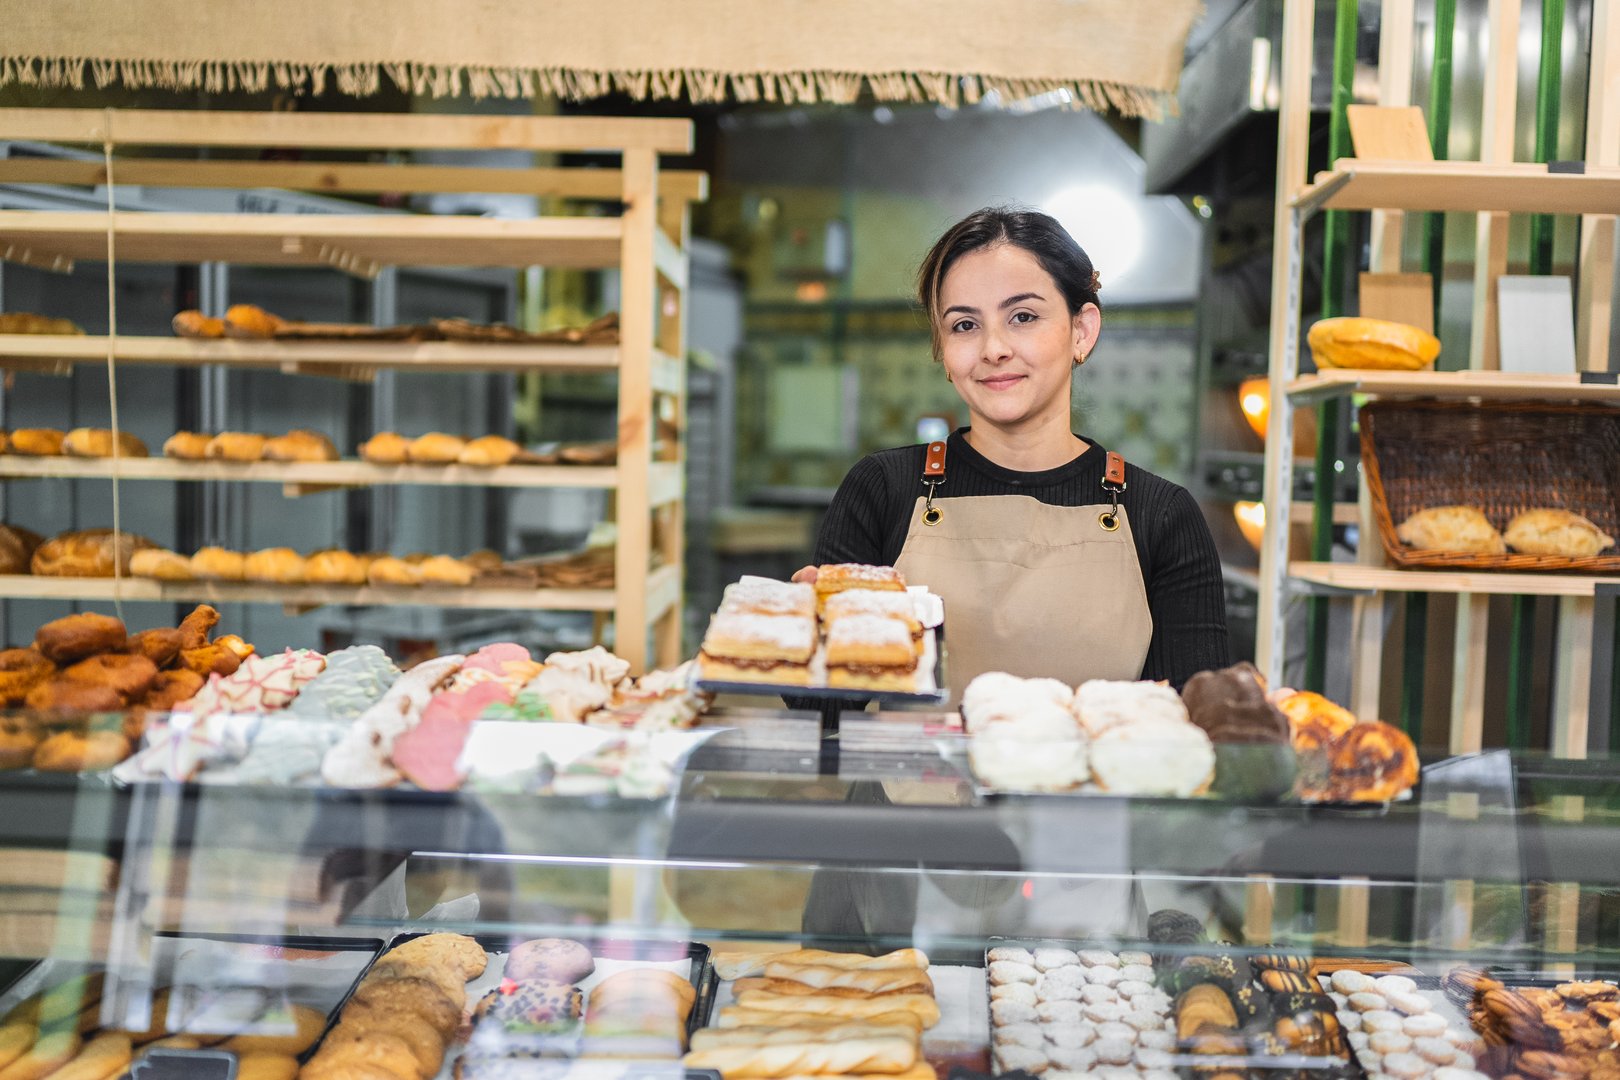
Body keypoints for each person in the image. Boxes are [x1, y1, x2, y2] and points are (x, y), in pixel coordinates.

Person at [794, 207, 1229, 696]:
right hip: (901, 776)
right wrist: (807, 645)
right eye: (963, 325)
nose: (993, 348)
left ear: (1081, 331)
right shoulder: (882, 488)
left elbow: (1194, 732)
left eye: (1023, 317)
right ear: (941, 348)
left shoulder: (1160, 516)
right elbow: (824, 716)